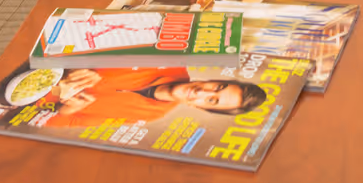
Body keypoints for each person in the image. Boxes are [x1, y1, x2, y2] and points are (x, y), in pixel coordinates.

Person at [47, 66, 267, 123]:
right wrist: (79, 66)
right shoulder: (168, 58)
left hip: (32, 98)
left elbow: (68, 121)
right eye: (218, 87)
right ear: (213, 80)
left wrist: (68, 109)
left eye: (211, 100)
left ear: (199, 107)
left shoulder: (151, 116)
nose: (202, 91)